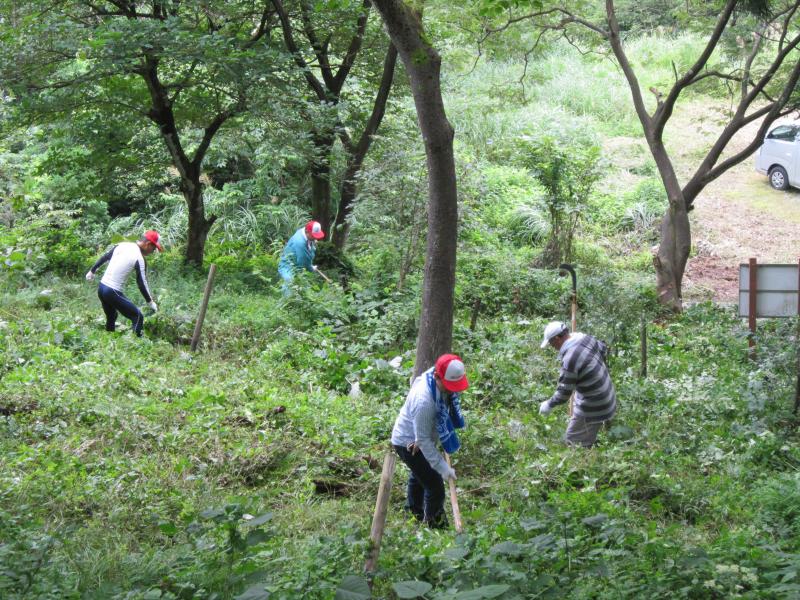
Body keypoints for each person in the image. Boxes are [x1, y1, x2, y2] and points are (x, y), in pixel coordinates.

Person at [391, 354, 468, 528]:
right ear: (437, 376)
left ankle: (413, 514)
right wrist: (443, 469)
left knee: (419, 476)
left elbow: (426, 435)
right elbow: (423, 440)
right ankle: (436, 527)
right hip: (406, 441)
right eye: (449, 387)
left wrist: (423, 438)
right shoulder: (424, 401)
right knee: (435, 486)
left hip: (418, 435)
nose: (452, 391)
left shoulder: (436, 375)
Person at [539, 321, 616, 447]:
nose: (552, 347)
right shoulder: (586, 338)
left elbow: (564, 393)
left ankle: (586, 459)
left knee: (573, 441)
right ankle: (592, 437)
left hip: (597, 404)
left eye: (551, 343)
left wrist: (549, 404)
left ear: (558, 338)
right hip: (608, 393)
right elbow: (603, 349)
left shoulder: (570, 358)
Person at [85, 230, 162, 337]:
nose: (152, 252)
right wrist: (150, 302)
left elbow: (106, 256)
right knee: (138, 316)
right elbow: (142, 283)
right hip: (111, 291)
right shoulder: (139, 258)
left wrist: (92, 270)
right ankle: (136, 345)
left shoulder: (123, 245)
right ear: (148, 244)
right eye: (153, 249)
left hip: (101, 288)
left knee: (112, 316)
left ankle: (109, 340)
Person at [278, 220, 325, 294]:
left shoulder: (304, 232)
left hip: (298, 265)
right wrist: (311, 268)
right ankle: (289, 302)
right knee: (290, 283)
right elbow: (304, 263)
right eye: (313, 236)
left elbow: (308, 252)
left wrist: (313, 242)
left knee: (301, 286)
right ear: (307, 231)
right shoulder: (300, 242)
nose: (315, 238)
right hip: (288, 265)